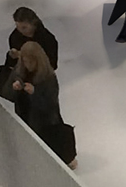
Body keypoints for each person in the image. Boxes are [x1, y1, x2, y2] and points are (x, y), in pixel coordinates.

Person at [9, 41, 77, 170]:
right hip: (26, 116)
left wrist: (34, 93)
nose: (28, 65)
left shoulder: (48, 78)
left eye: (31, 62)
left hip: (45, 122)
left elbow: (50, 103)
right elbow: (7, 93)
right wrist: (15, 86)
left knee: (52, 145)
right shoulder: (20, 73)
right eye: (25, 61)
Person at [0, 7, 58, 101]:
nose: (21, 31)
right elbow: (12, 64)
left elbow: (52, 64)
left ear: (33, 24)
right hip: (20, 75)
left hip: (40, 78)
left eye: (24, 28)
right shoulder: (15, 36)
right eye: (17, 27)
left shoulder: (48, 39)